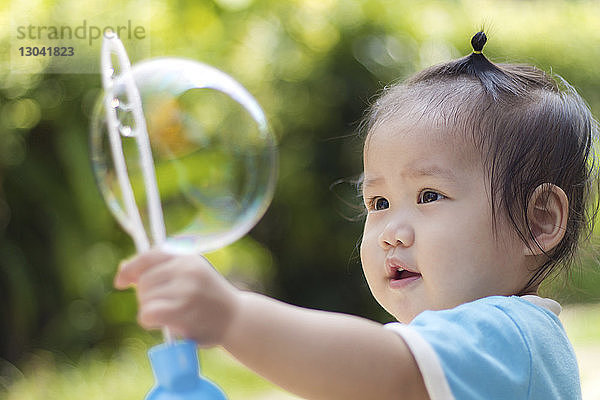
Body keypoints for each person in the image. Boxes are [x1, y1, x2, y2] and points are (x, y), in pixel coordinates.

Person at [114, 32, 597, 399]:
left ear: (540, 220)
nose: (390, 232)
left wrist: (233, 316)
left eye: (429, 196)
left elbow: (383, 371)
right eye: (378, 203)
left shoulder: (510, 336)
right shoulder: (456, 353)